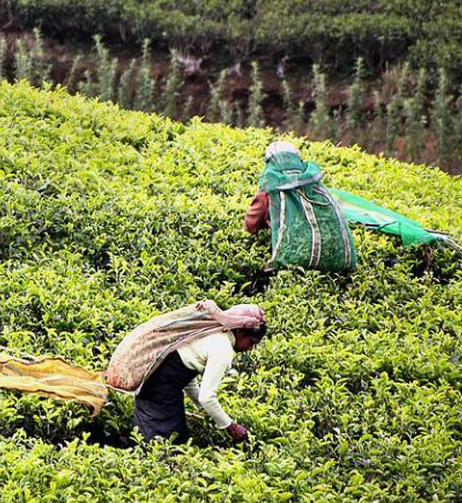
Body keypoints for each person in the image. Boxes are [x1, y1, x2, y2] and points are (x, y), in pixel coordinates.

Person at [105, 301, 266, 444]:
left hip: (154, 380)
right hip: (161, 386)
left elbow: (186, 377)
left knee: (154, 436)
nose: (249, 349)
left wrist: (207, 412)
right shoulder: (223, 349)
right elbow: (207, 397)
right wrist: (230, 426)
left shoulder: (211, 333)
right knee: (165, 442)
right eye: (251, 342)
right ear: (240, 332)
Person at [244, 140, 356, 272]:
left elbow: (250, 225)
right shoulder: (315, 185)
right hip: (335, 258)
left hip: (295, 264)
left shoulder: (269, 191)